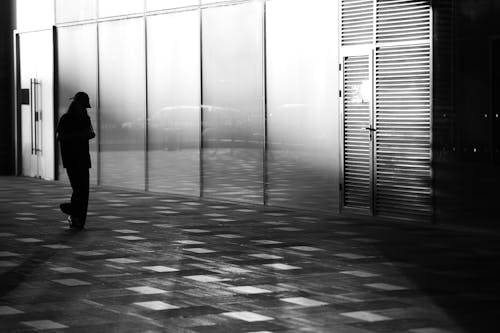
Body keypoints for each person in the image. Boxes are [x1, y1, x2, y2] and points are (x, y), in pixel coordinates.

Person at [56, 92, 95, 229]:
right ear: (76, 104)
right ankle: (74, 213)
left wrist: (86, 135)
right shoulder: (66, 119)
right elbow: (60, 137)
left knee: (83, 191)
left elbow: (90, 133)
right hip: (72, 159)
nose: (84, 109)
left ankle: (76, 217)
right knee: (79, 190)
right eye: (82, 106)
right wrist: (78, 136)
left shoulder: (85, 118)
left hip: (82, 159)